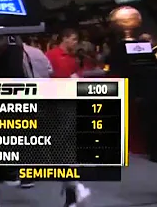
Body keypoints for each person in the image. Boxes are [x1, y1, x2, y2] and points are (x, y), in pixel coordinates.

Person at [45, 29, 92, 207]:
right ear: (64, 39)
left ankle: (73, 193)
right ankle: (73, 191)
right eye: (73, 39)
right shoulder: (51, 55)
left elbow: (75, 77)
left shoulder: (73, 58)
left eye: (76, 40)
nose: (75, 43)